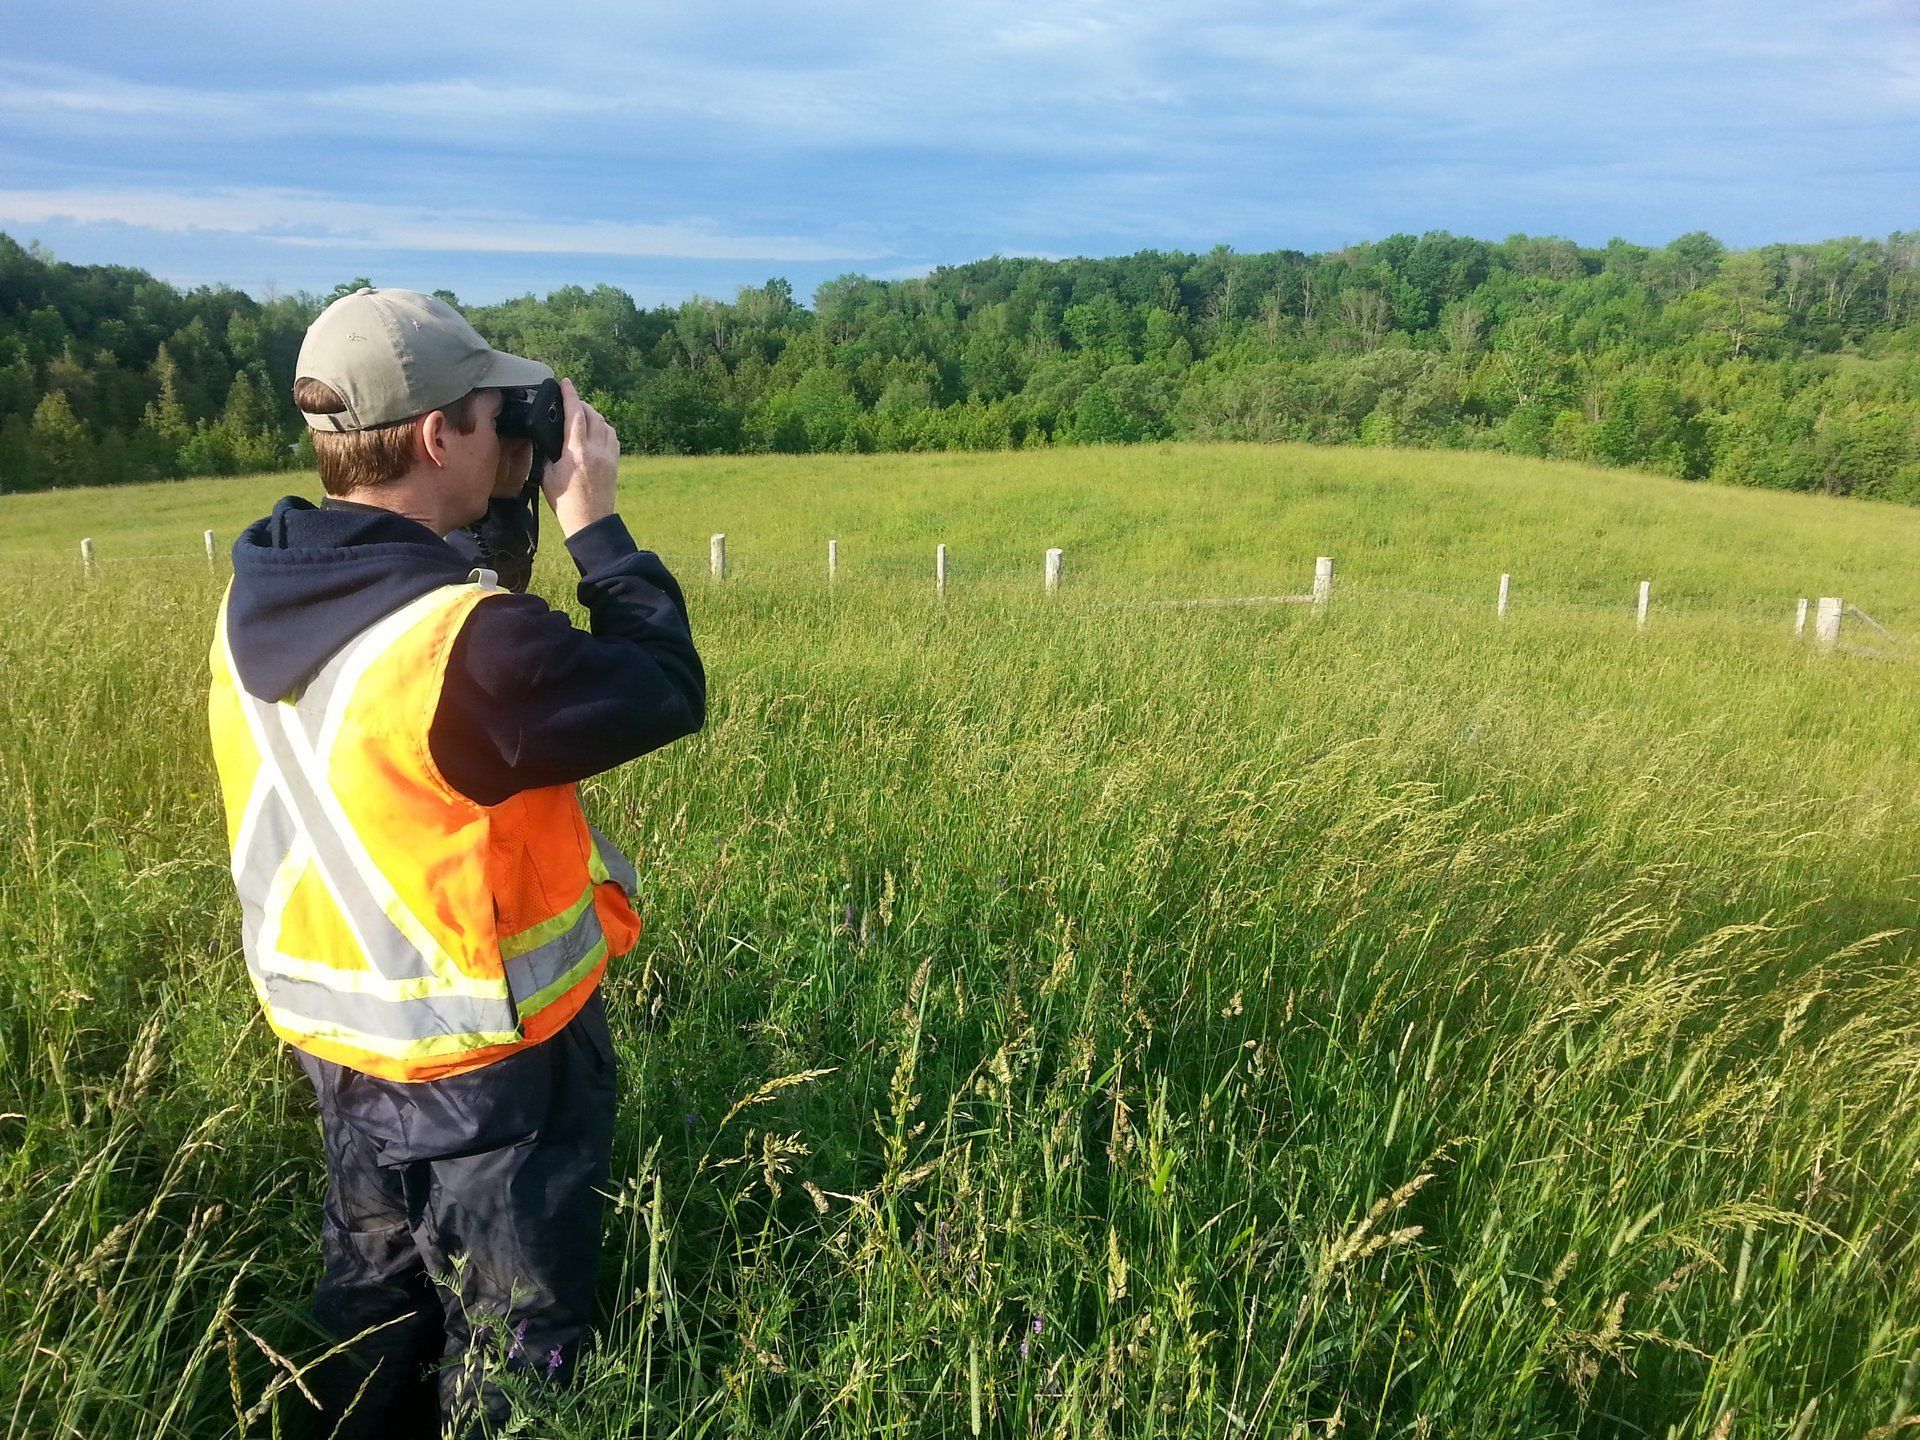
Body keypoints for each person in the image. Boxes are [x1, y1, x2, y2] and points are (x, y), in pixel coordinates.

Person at [205, 287, 705, 1437]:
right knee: (515, 1345)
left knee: (373, 1310)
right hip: (488, 1064)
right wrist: (594, 521)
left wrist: (494, 528)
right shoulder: (460, 644)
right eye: (492, 412)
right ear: (440, 435)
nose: (509, 433)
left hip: (343, 1047)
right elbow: (663, 689)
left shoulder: (263, 593)